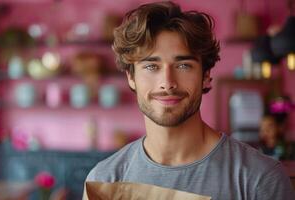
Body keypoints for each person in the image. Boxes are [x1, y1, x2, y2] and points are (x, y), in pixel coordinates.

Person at [84, 1, 295, 199]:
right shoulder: (104, 181)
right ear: (131, 77)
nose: (167, 82)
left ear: (205, 75)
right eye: (151, 66)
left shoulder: (260, 179)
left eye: (183, 65)